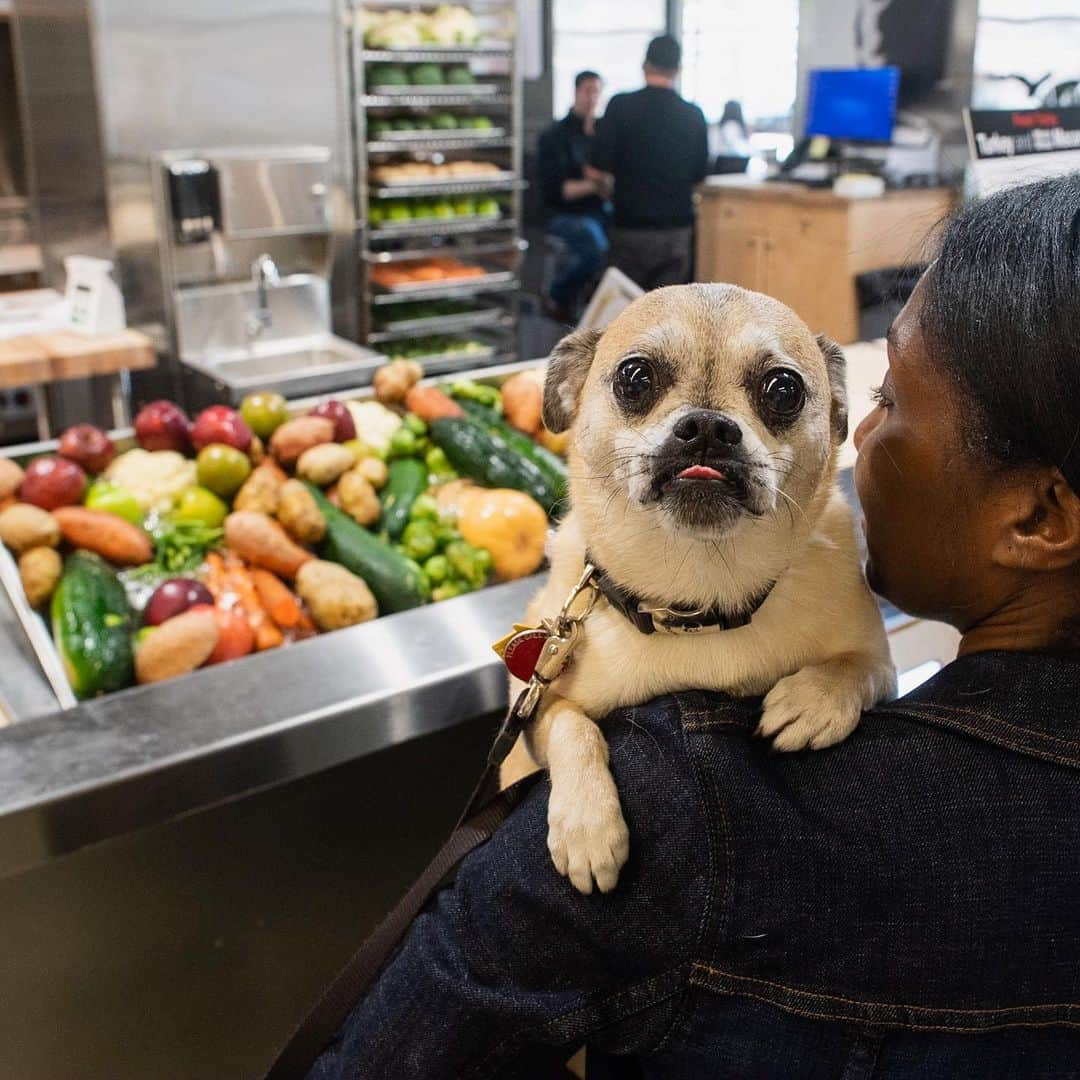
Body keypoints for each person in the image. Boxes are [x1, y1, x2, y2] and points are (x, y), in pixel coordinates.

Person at [307, 173, 1080, 1078]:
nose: (865, 436)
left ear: (1041, 519)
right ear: (571, 394)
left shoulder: (676, 809)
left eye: (887, 403)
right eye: (641, 384)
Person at [589, 36, 708, 291]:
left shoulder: (620, 106)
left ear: (645, 65)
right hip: (676, 229)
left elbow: (597, 168)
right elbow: (699, 176)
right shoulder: (694, 115)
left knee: (626, 314)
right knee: (665, 316)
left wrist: (609, 191)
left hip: (630, 226)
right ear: (677, 70)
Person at [538, 71, 609, 322]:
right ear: (576, 92)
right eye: (588, 91)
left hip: (599, 210)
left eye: (597, 92)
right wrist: (598, 183)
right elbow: (560, 191)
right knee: (595, 246)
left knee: (633, 238)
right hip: (564, 214)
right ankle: (558, 296)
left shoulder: (601, 134)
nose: (593, 98)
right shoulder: (554, 136)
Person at [711, 99, 752, 174]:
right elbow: (737, 148)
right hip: (731, 164)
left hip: (720, 164)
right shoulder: (731, 126)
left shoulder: (719, 127)